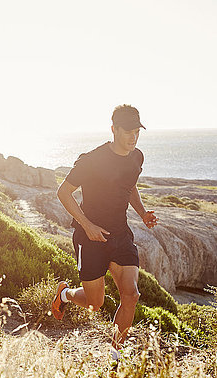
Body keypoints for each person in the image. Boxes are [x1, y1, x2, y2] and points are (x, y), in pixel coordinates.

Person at [53, 104, 158, 362]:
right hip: (90, 238)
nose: (133, 138)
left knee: (131, 295)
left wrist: (142, 213)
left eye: (137, 132)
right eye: (128, 132)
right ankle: (64, 294)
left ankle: (114, 357)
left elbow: (129, 185)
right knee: (94, 303)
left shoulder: (137, 157)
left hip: (121, 235)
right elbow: (63, 193)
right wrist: (87, 225)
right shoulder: (91, 160)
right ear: (114, 129)